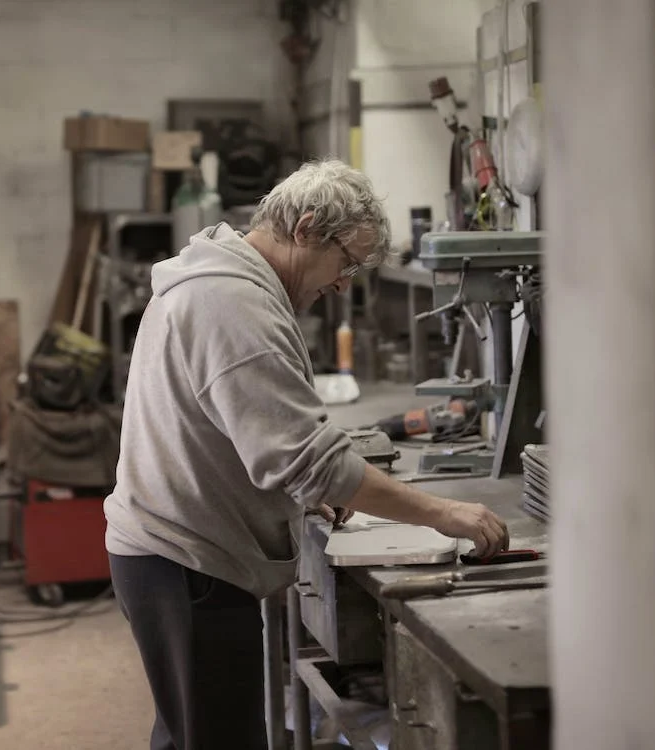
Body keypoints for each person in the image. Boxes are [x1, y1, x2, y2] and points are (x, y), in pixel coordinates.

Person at [104, 159, 510, 750]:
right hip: (186, 564)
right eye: (347, 263)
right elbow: (308, 459)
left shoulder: (224, 281)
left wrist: (299, 497)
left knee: (189, 735)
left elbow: (245, 438)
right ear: (308, 228)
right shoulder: (230, 302)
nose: (345, 284)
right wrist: (444, 514)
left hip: (176, 556)